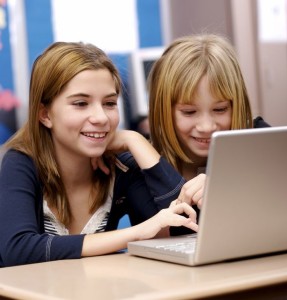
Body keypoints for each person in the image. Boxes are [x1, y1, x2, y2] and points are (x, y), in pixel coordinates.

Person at [0, 42, 198, 267]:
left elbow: (186, 232)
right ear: (45, 115)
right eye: (81, 103)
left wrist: (136, 141)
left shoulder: (120, 167)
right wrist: (138, 233)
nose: (101, 117)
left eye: (110, 103)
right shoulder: (20, 162)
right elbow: (18, 250)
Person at [147, 33, 270, 210]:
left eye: (220, 109)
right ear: (163, 111)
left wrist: (224, 183)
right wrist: (133, 140)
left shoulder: (260, 139)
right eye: (189, 112)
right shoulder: (142, 163)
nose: (206, 127)